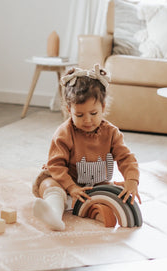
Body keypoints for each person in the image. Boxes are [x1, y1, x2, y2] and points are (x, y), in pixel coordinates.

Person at [32, 64, 141, 231]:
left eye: (94, 113)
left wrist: (132, 180)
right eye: (80, 115)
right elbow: (56, 165)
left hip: (95, 186)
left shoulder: (111, 133)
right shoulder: (64, 133)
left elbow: (126, 158)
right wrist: (71, 187)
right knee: (47, 184)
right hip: (64, 181)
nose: (88, 120)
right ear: (69, 110)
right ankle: (54, 211)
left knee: (113, 194)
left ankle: (95, 211)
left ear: (103, 108)